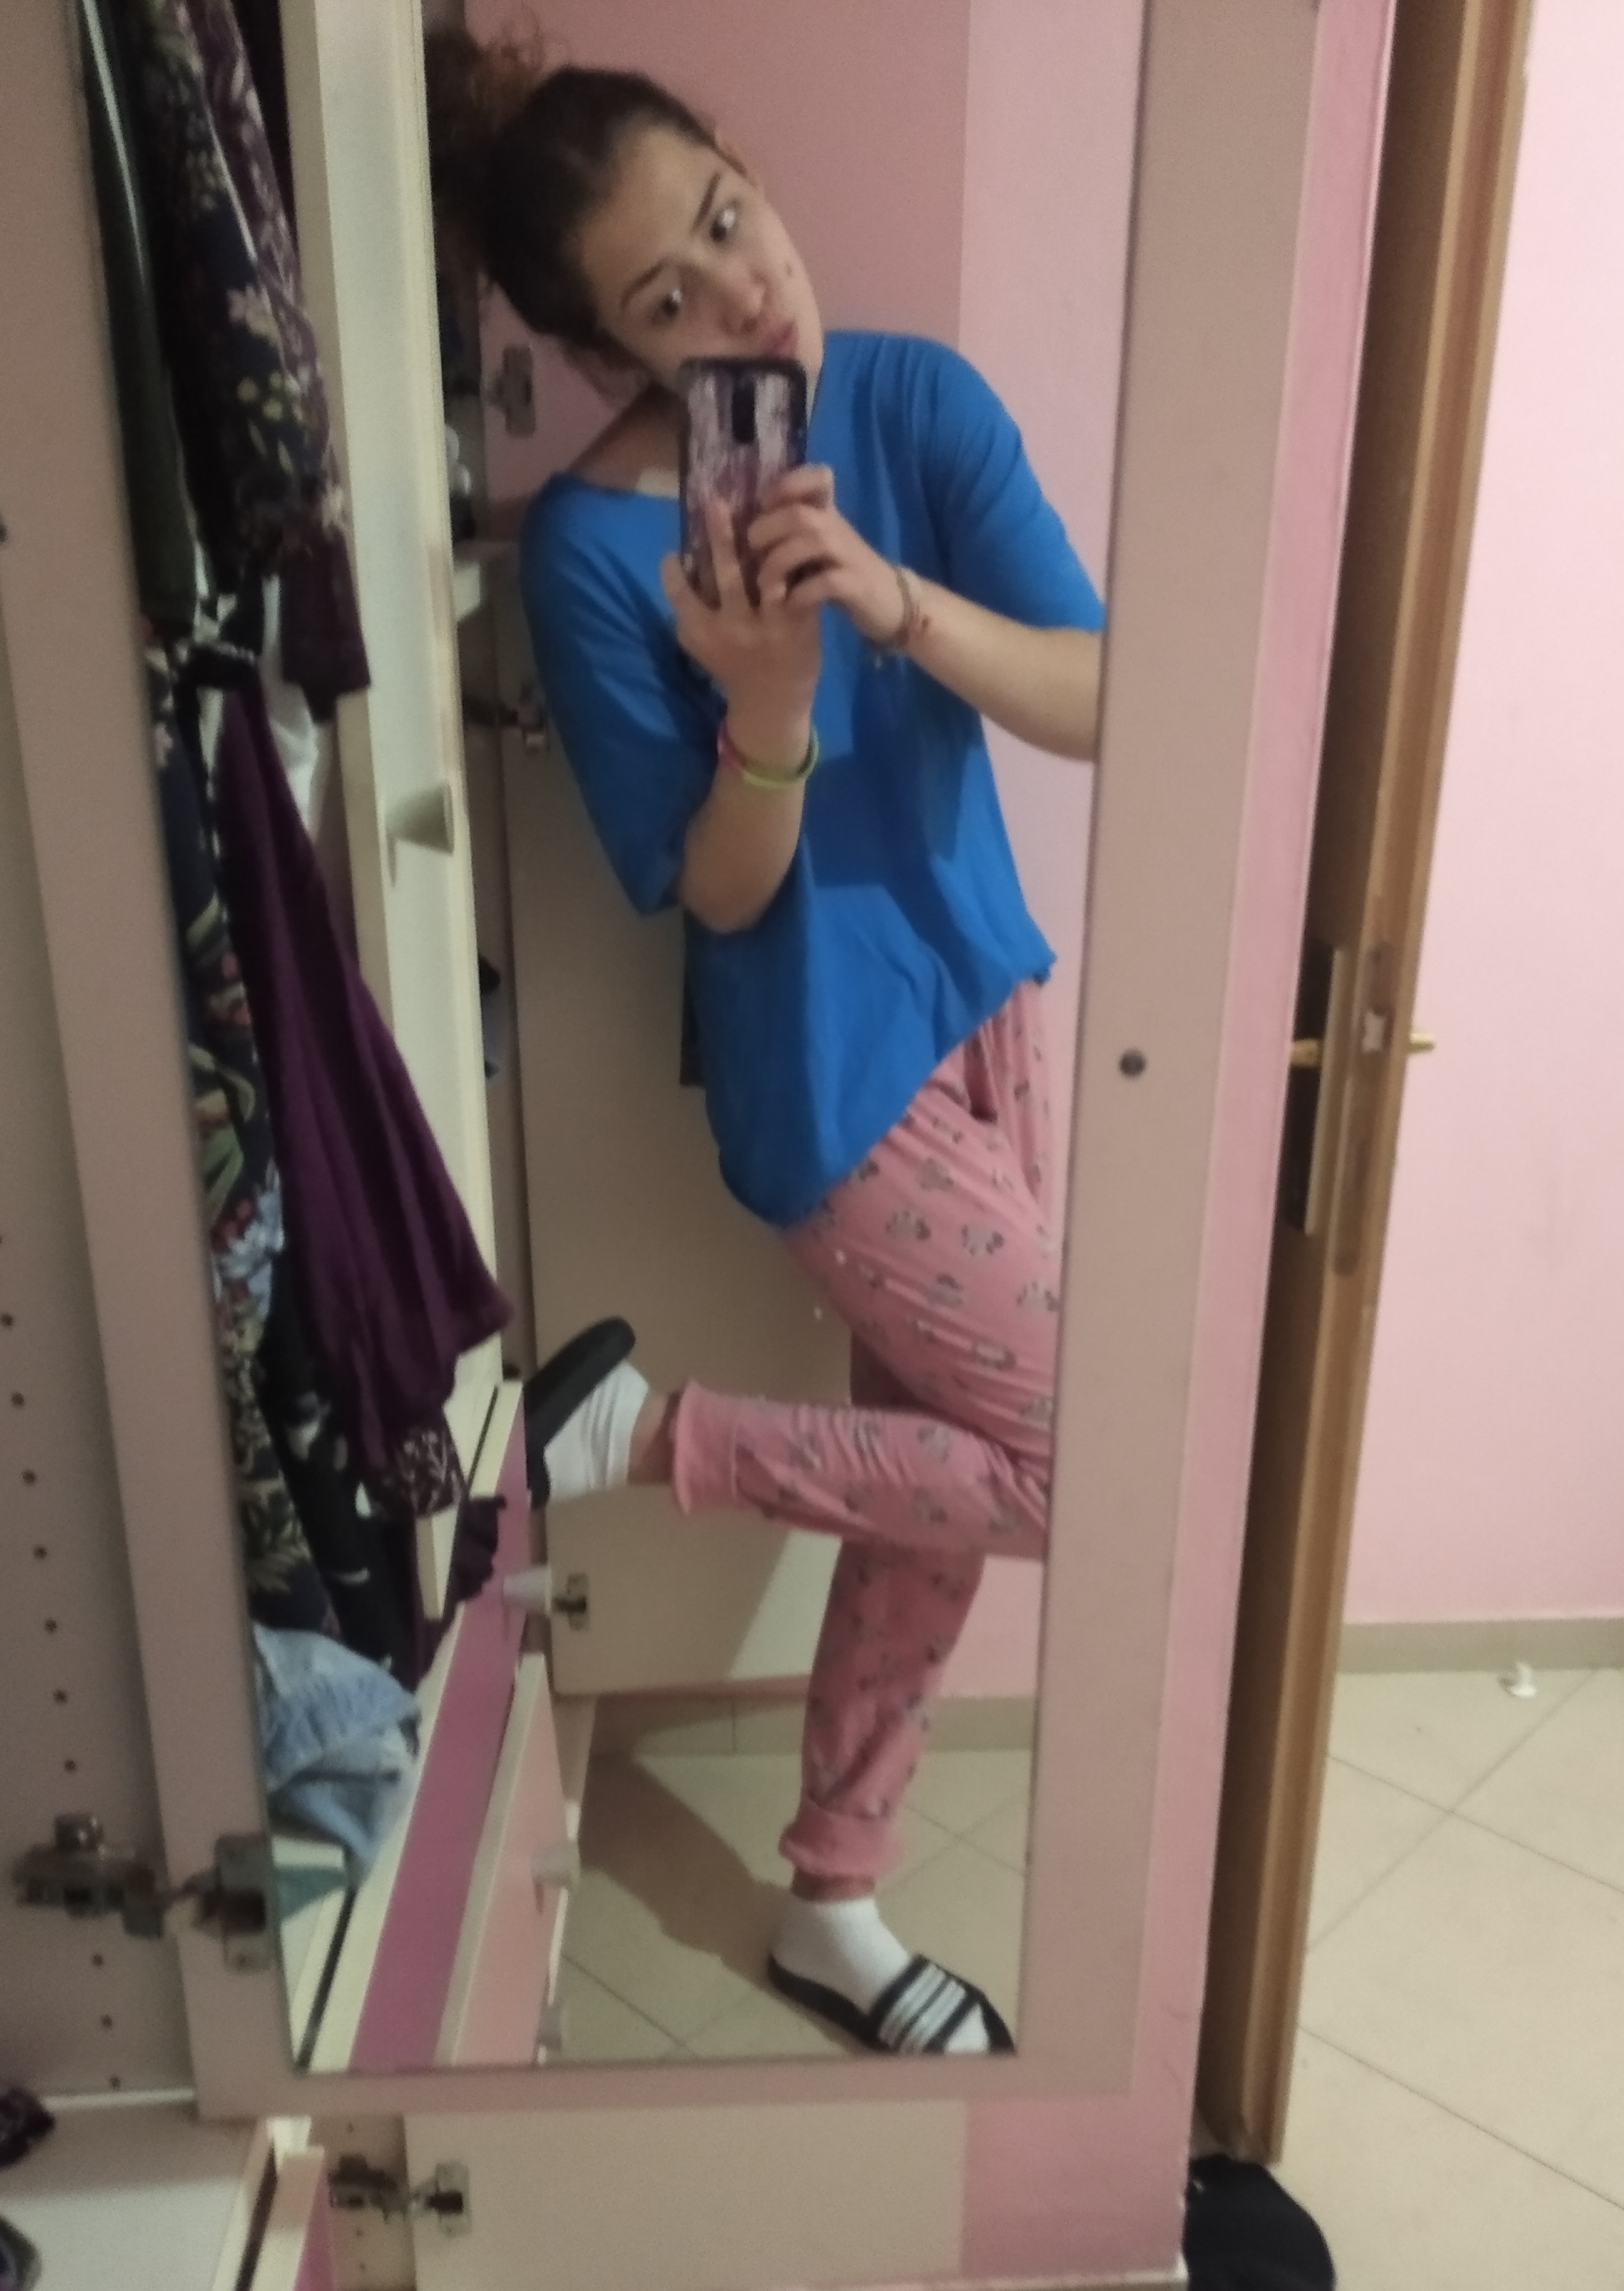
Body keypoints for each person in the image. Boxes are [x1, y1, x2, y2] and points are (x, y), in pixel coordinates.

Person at [427, 35, 1104, 2056]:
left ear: (745, 161)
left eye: (728, 222)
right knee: (1085, 1459)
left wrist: (887, 600)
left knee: (948, 1496)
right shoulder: (589, 556)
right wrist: (775, 704)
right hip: (833, 1084)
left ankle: (833, 1904)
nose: (744, 298)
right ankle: (646, 1441)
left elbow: (1104, 693)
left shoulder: (915, 399)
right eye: (667, 301)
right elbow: (719, 899)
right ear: (607, 350)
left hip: (988, 1007)